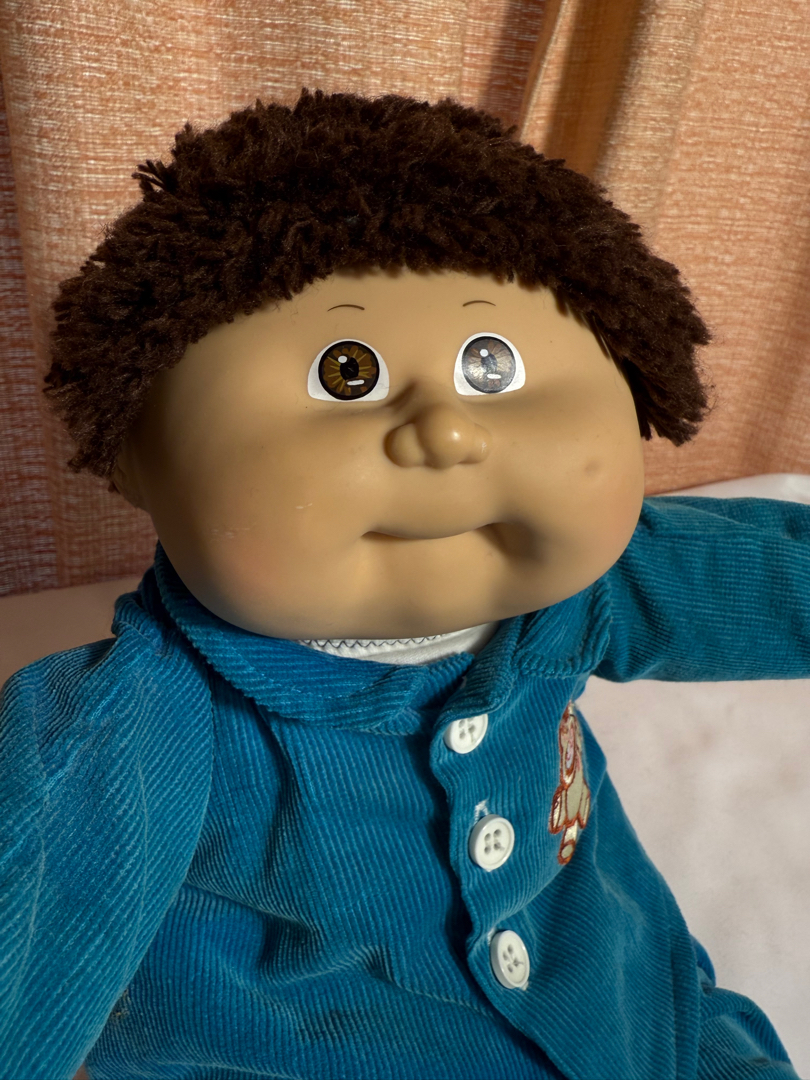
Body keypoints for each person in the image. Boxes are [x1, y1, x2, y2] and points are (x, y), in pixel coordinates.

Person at [1, 90, 807, 1080]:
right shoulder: (129, 726)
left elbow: (777, 577)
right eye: (348, 374)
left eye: (488, 365)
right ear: (135, 455)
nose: (447, 430)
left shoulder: (578, 592)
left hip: (633, 1004)